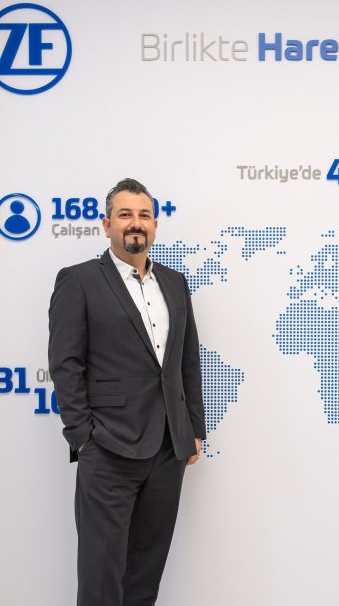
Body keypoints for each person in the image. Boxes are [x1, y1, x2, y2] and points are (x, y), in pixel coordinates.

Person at [49, 178, 205, 605]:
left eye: (143, 215)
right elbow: (66, 364)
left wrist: (194, 430)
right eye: (125, 215)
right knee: (101, 575)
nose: (135, 223)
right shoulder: (79, 281)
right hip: (108, 448)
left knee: (145, 573)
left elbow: (187, 361)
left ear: (154, 224)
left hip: (168, 449)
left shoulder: (175, 283)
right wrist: (82, 436)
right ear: (107, 225)